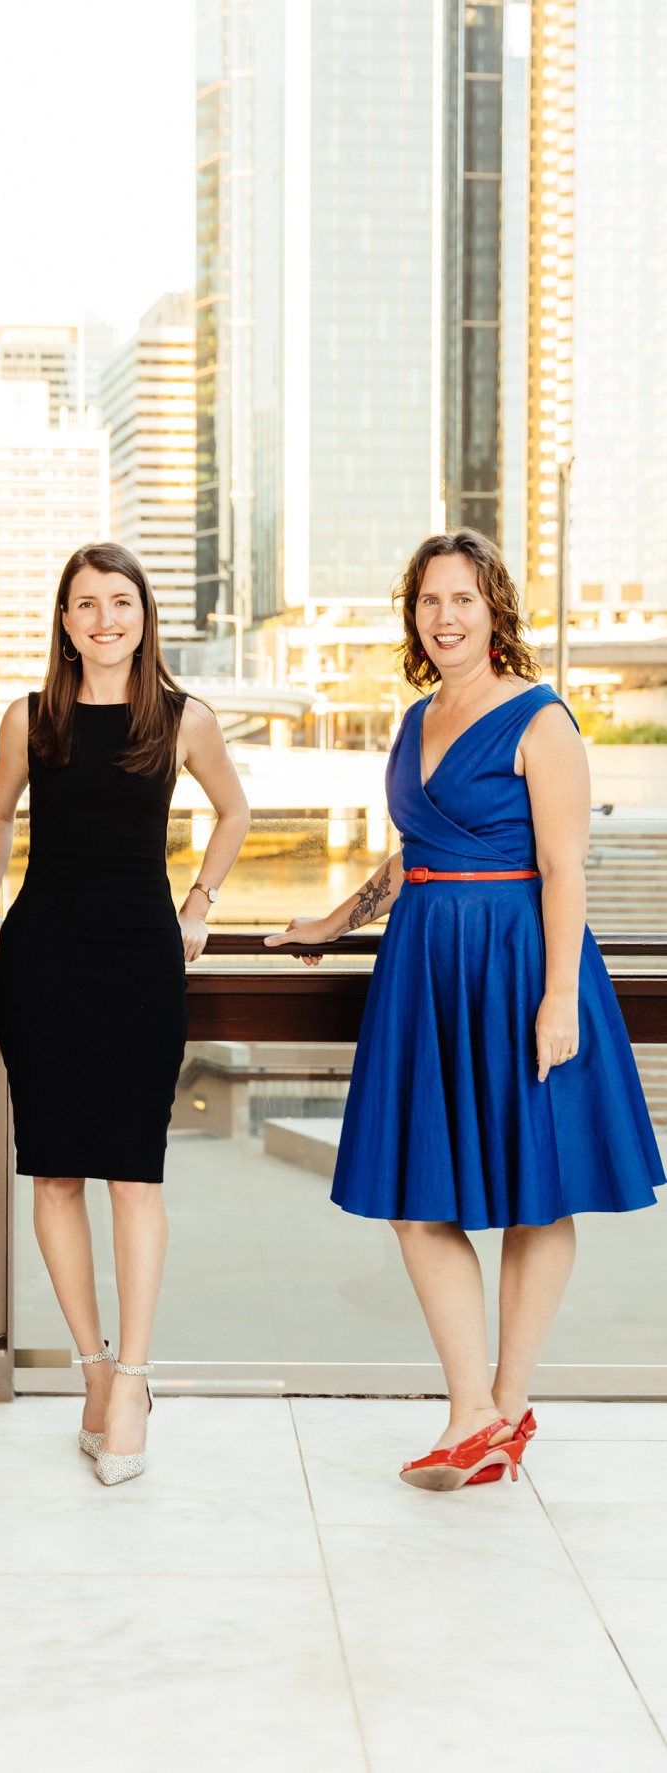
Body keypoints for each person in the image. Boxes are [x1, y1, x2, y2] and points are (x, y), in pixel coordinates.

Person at [265, 529, 663, 1490]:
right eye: (430, 600)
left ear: (495, 611)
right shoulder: (416, 719)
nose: (445, 616)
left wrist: (559, 995)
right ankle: (473, 1408)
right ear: (414, 614)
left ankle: (505, 1405)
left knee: (539, 1186)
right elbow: (415, 853)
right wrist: (331, 917)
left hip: (521, 962)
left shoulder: (542, 719)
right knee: (415, 1197)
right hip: (427, 966)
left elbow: (566, 865)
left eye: (464, 599)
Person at [0, 542, 249, 1485]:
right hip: (42, 954)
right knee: (52, 1174)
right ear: (64, 619)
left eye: (120, 602)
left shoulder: (181, 717)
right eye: (85, 604)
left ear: (144, 613)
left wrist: (200, 902)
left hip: (140, 956)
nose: (104, 620)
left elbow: (235, 813)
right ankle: (91, 1368)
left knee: (134, 1174)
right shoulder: (30, 717)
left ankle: (132, 1377)